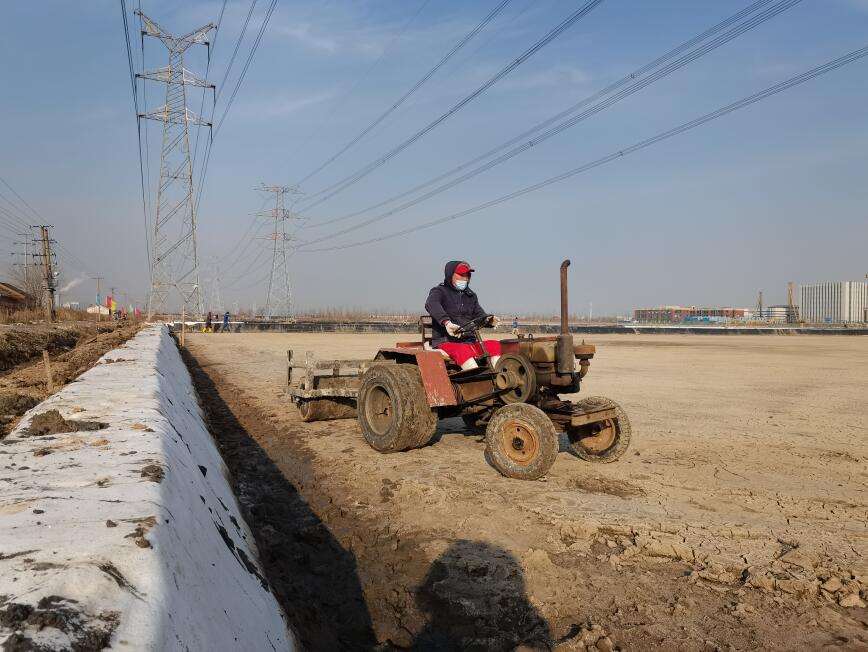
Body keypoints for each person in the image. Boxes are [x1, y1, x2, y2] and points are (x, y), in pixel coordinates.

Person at [425, 261, 501, 370]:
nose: (465, 279)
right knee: (463, 350)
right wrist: (446, 322)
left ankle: (498, 375)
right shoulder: (440, 291)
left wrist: (489, 320)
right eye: (461, 275)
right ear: (450, 275)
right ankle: (475, 376)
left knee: (494, 345)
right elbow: (431, 304)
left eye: (467, 275)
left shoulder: (471, 296)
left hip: (469, 342)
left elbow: (479, 314)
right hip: (446, 342)